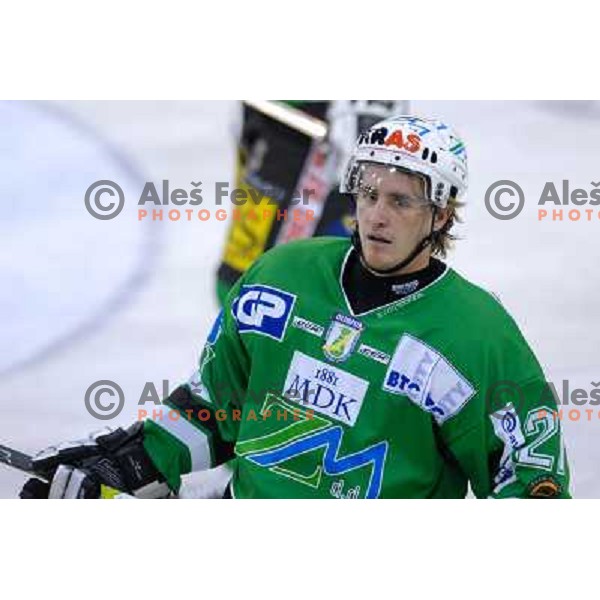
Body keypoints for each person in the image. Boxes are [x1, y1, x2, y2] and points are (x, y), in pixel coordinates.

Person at [20, 115, 570, 499]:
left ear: (441, 216)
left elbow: (532, 485)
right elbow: (214, 410)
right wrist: (127, 460)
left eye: (401, 201)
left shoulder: (477, 335)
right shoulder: (283, 275)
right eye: (369, 193)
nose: (376, 215)